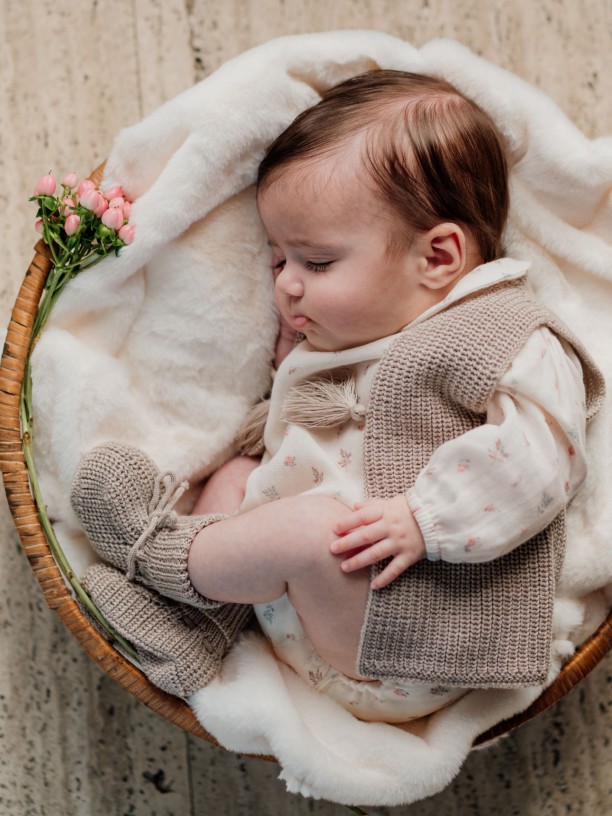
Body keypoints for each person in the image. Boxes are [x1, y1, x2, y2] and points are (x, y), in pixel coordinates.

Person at [72, 71, 604, 723]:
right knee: (240, 474)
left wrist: (426, 519)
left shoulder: (508, 335)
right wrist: (295, 376)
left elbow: (540, 458)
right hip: (315, 606)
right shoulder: (362, 332)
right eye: (278, 262)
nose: (289, 286)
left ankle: (161, 556)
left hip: (407, 635)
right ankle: (199, 626)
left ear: (437, 258)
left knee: (313, 529)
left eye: (316, 263)